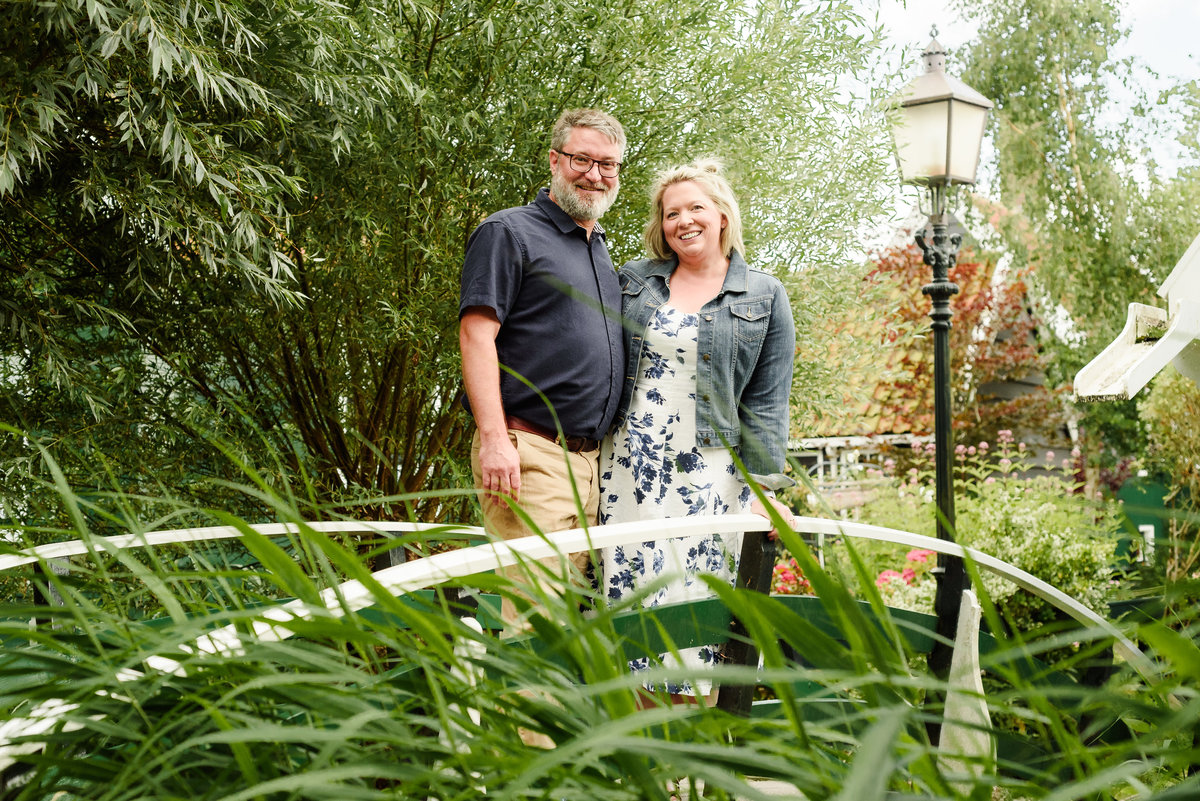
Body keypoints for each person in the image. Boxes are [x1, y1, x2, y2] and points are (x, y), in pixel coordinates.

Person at [598, 159, 796, 702]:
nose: (683, 221)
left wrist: (764, 492)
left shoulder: (764, 295)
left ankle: (695, 743)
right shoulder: (634, 281)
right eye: (671, 213)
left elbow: (767, 403)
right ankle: (641, 742)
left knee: (697, 607)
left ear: (722, 215)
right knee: (634, 597)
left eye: (695, 208)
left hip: (708, 475)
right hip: (631, 466)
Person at [459, 108, 626, 627]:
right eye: (582, 160)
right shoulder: (509, 232)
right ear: (555, 160)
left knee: (565, 625)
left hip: (589, 464)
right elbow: (476, 335)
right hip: (529, 454)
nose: (594, 174)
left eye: (608, 165)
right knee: (532, 625)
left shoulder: (599, 250)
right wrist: (494, 439)